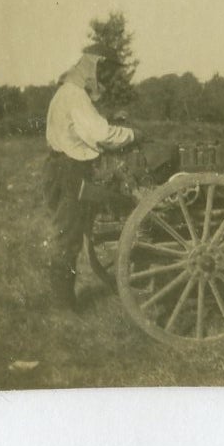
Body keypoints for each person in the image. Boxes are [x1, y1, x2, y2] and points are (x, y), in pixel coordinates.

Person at [43, 53, 136, 309]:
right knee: (68, 235)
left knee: (68, 231)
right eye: (102, 73)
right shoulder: (75, 95)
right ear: (91, 70)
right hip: (70, 169)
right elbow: (100, 134)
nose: (103, 80)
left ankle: (63, 302)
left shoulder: (67, 92)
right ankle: (63, 306)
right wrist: (131, 134)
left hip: (61, 167)